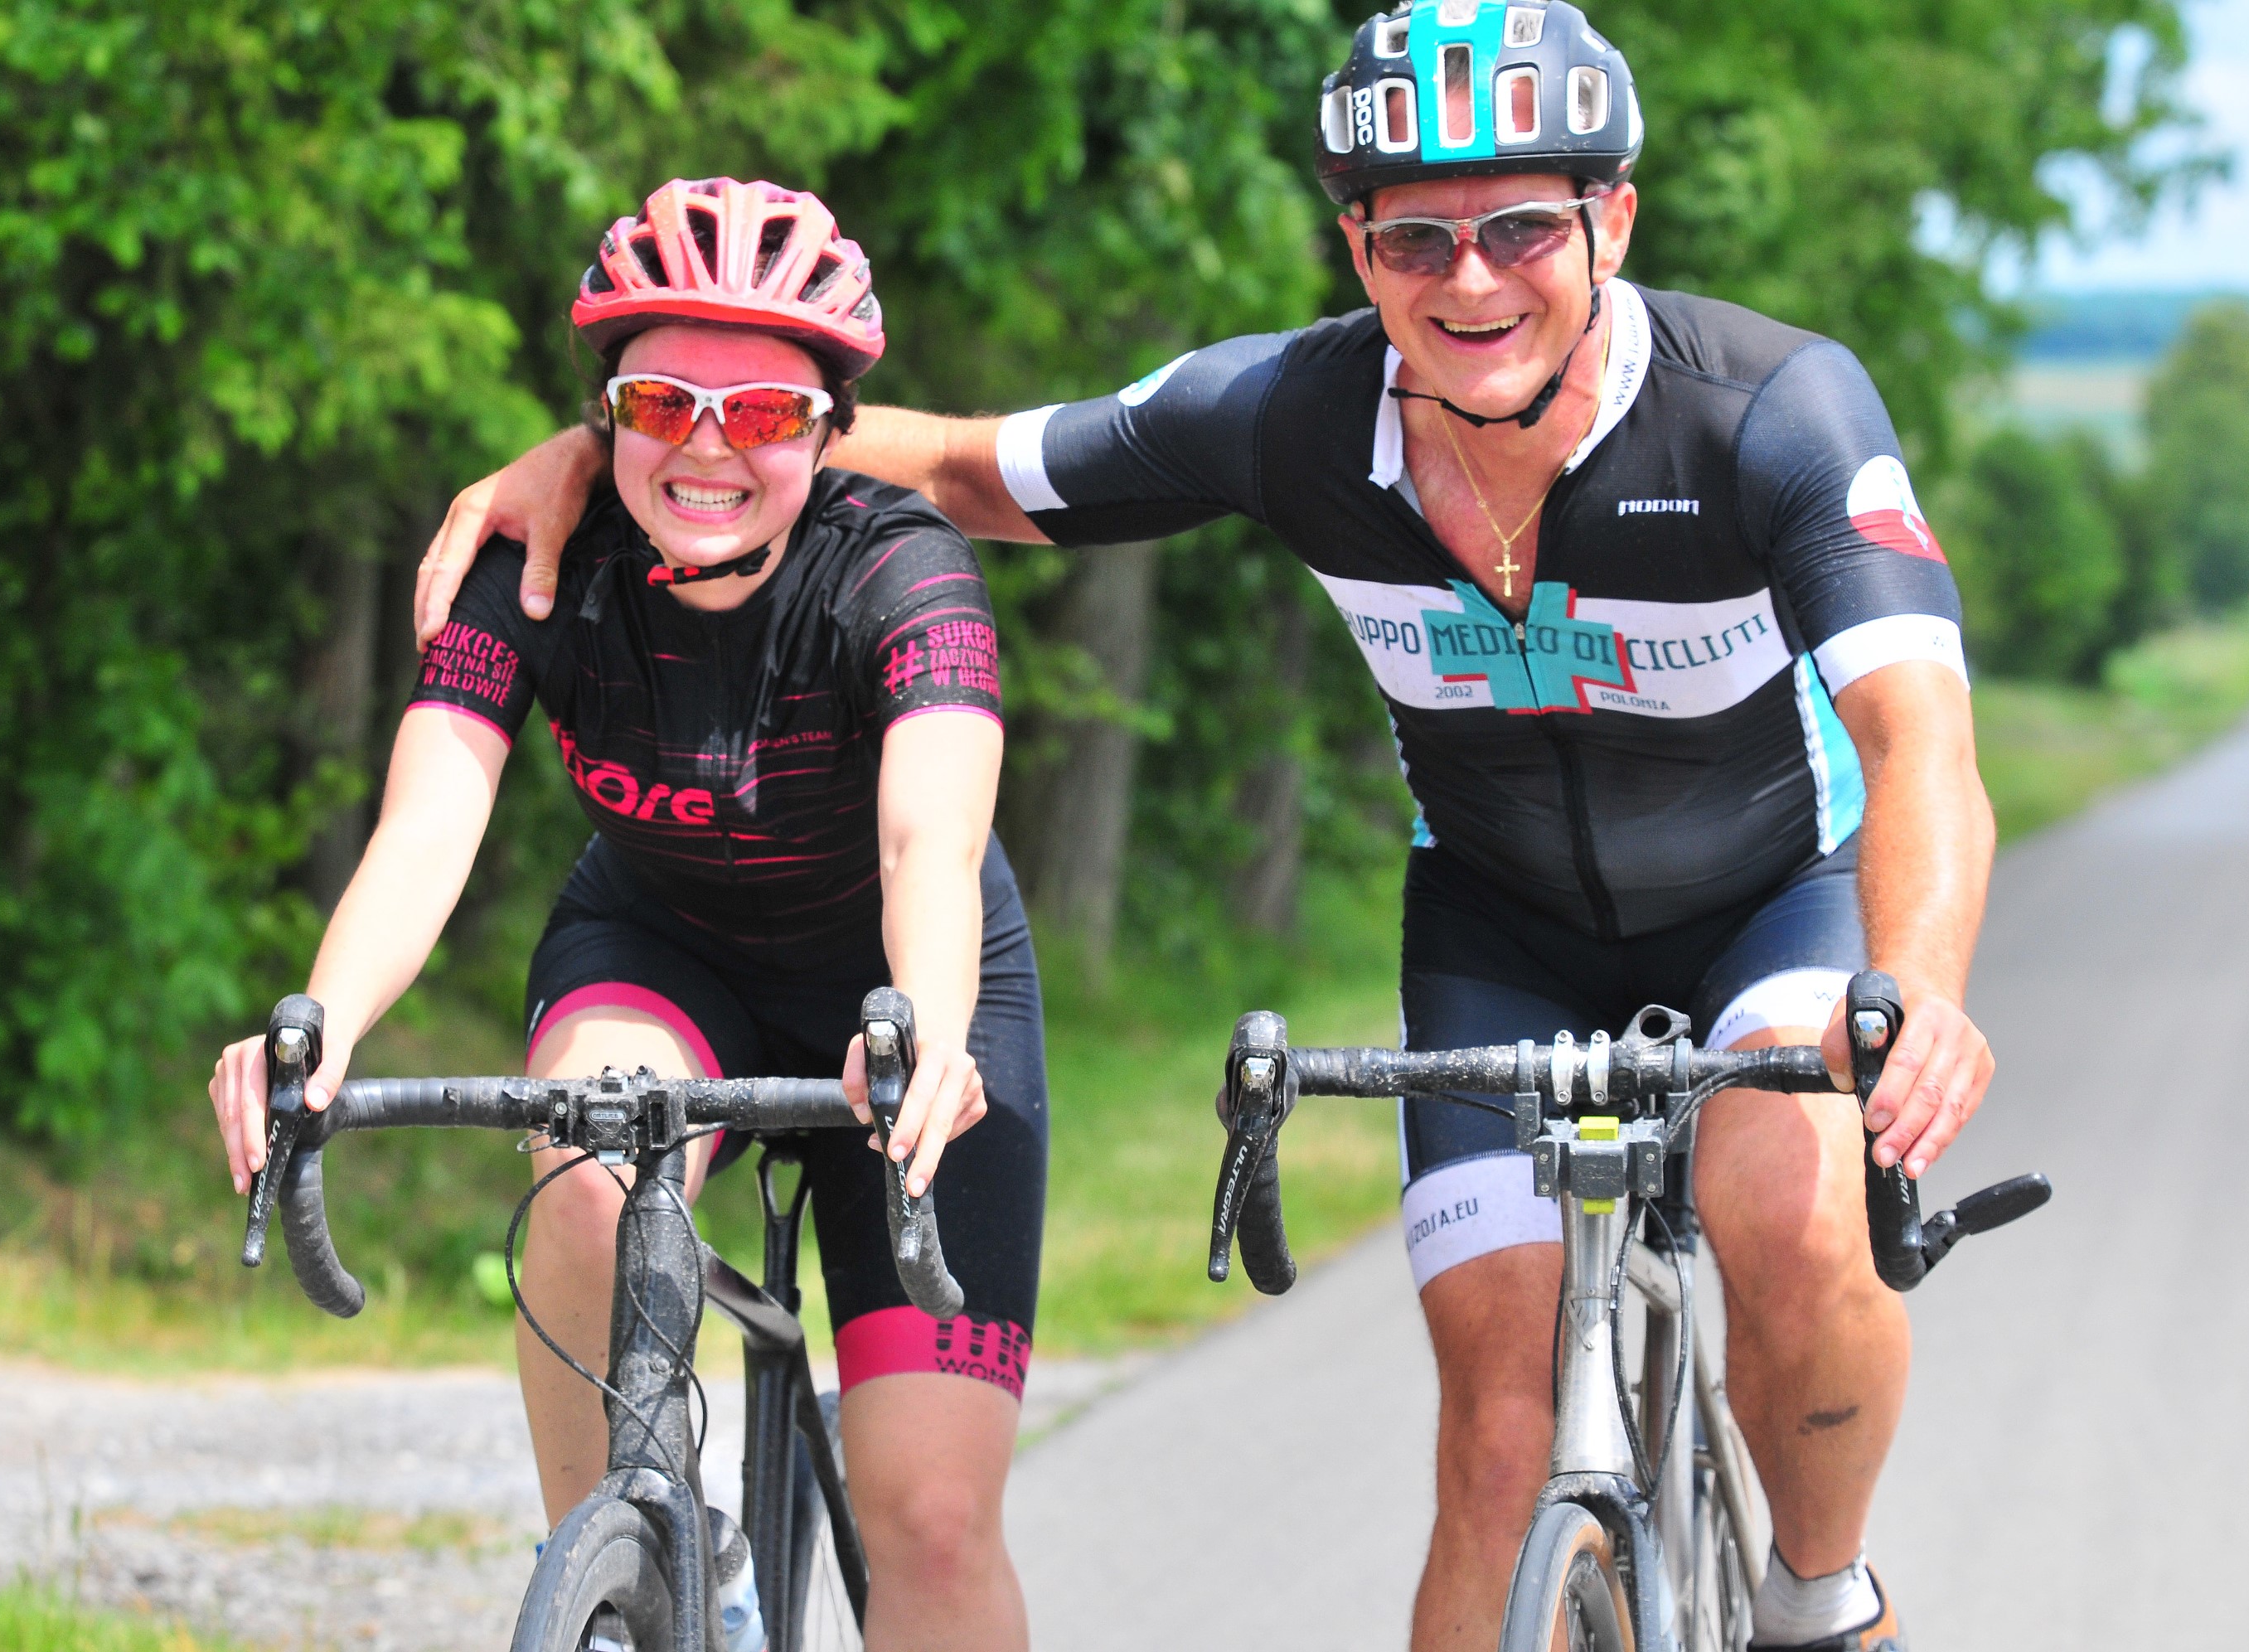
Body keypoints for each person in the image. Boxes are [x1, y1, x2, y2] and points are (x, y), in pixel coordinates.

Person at [415, 7, 1992, 1648]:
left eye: (1524, 226)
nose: (1471, 280)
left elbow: (1923, 742)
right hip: (1502, 931)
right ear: (1358, 249)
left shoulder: (1770, 411)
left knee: (1787, 1212)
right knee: (1496, 1438)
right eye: (1418, 237)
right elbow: (964, 468)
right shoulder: (1294, 415)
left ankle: (1819, 1594)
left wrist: (1921, 988)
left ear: (1616, 221)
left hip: (1771, 897)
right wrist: (631, 439)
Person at [209, 177, 1045, 1651]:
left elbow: (929, 835)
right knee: (589, 1160)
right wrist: (321, 1021)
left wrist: (922, 1026)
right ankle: (633, 1570)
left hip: (906, 981)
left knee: (931, 1517)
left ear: (832, 429)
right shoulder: (536, 566)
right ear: (606, 416)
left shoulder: (905, 570)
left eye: (765, 412)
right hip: (663, 949)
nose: (708, 447)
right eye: (663, 402)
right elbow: (429, 820)